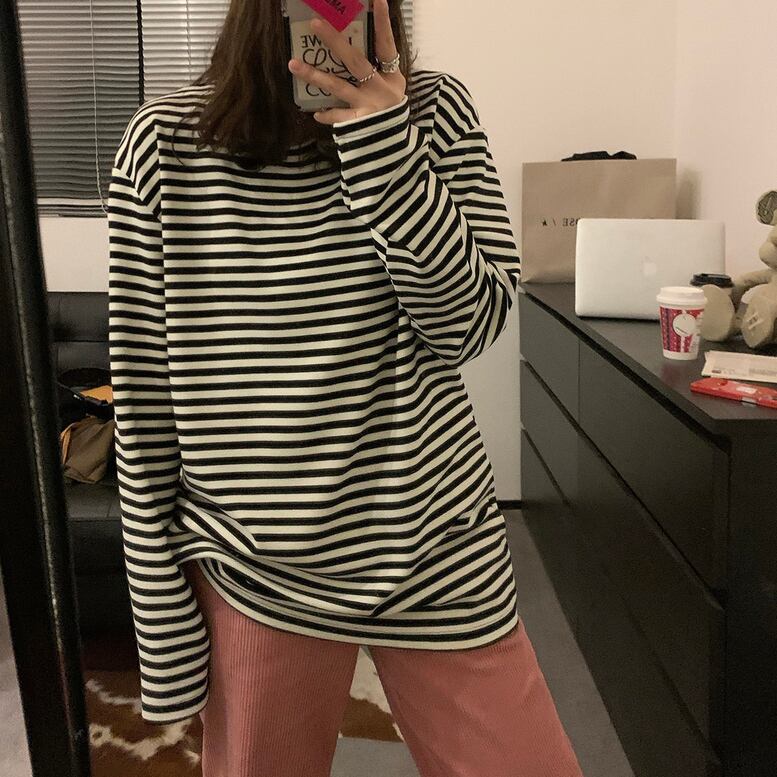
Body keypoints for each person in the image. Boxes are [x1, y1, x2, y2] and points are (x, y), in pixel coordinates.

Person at [107, 0, 585, 774]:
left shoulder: (434, 111)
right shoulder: (165, 141)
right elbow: (143, 397)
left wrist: (384, 146)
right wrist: (163, 628)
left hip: (438, 545)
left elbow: (470, 327)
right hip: (256, 565)